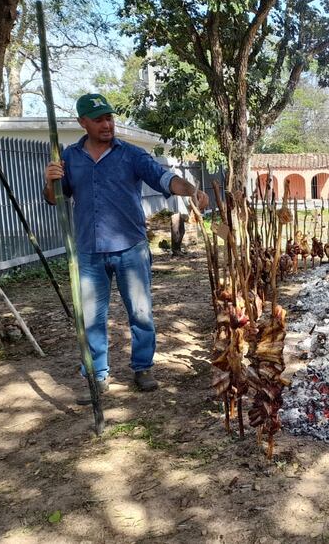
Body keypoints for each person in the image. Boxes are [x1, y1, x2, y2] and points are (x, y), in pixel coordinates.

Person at [43, 93, 209, 403]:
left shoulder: (130, 154)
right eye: (99, 119)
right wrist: (49, 180)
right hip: (90, 251)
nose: (107, 124)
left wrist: (190, 190)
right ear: (83, 123)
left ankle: (143, 367)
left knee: (141, 312)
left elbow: (163, 177)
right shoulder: (68, 158)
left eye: (109, 118)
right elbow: (56, 197)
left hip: (130, 248)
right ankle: (97, 375)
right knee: (91, 316)